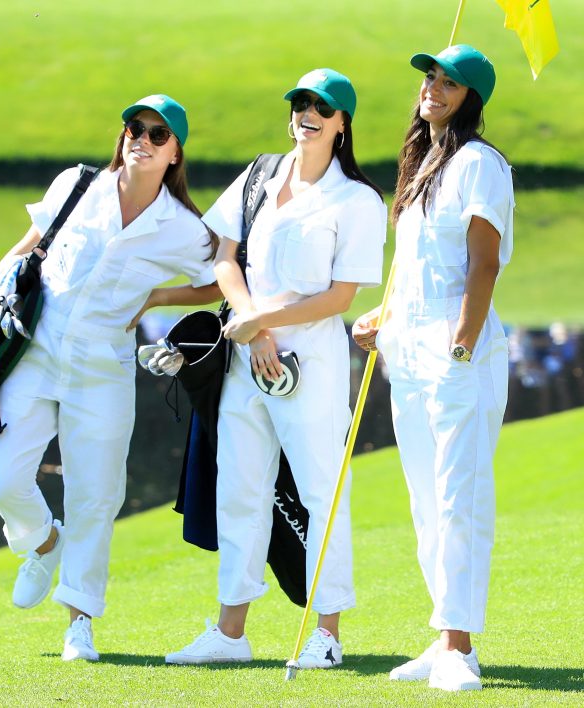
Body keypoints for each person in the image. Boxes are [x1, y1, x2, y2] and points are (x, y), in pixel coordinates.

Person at [0, 94, 220, 661]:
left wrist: (157, 297)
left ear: (175, 154)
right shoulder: (78, 184)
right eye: (134, 128)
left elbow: (219, 277)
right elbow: (28, 248)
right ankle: (43, 541)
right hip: (36, 355)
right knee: (1, 480)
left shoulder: (183, 227)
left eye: (157, 134)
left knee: (95, 497)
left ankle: (80, 624)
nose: (141, 139)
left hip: (102, 371)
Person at [164, 69, 386, 668]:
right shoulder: (261, 173)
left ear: (342, 124)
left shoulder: (357, 200)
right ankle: (230, 633)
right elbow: (226, 260)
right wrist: (253, 324)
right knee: (240, 490)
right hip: (245, 358)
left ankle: (328, 636)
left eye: (322, 107)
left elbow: (341, 297)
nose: (307, 114)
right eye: (300, 104)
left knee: (322, 495)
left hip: (310, 366)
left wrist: (262, 320)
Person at [352, 45, 514, 692]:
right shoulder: (423, 164)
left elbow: (483, 263)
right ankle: (442, 633)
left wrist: (463, 341)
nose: (435, 90)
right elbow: (410, 265)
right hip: (409, 342)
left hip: (456, 344)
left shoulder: (480, 163)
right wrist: (382, 317)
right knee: (424, 495)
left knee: (459, 495)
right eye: (431, 78)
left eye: (451, 84)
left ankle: (460, 646)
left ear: (472, 98)